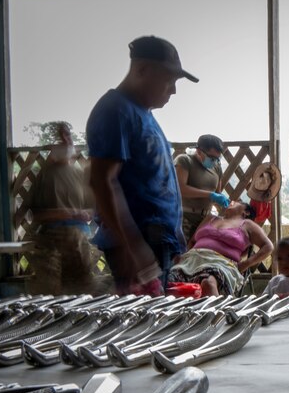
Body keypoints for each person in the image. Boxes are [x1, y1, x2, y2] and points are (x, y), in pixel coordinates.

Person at [86, 35, 197, 295]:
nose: (173, 90)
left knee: (156, 321)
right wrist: (133, 248)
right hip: (140, 241)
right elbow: (103, 181)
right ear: (142, 70)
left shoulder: (143, 114)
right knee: (143, 325)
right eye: (169, 80)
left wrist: (176, 239)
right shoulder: (115, 110)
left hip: (157, 241)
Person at [24, 121, 99, 295]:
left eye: (68, 137)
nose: (66, 142)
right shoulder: (45, 175)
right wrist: (66, 213)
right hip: (51, 244)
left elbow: (91, 211)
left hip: (80, 243)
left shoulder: (80, 174)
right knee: (52, 296)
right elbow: (36, 216)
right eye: (61, 138)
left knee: (82, 295)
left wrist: (85, 213)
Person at [168, 201, 272, 296]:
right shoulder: (211, 218)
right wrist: (185, 256)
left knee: (208, 282)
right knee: (170, 282)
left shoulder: (247, 224)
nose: (232, 202)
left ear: (246, 212)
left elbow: (268, 246)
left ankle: (218, 315)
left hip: (220, 263)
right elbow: (192, 241)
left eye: (236, 202)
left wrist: (245, 264)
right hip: (191, 260)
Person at [175, 134, 230, 242]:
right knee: (181, 255)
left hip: (205, 220)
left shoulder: (217, 167)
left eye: (217, 158)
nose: (214, 161)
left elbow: (217, 192)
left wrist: (223, 200)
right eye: (211, 158)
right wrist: (209, 194)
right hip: (184, 218)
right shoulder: (185, 160)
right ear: (199, 151)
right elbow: (180, 189)